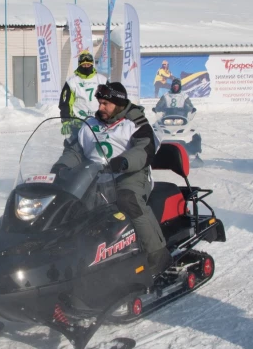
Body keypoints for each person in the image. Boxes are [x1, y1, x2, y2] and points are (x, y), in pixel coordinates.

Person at [52, 82, 172, 275]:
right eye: (99, 103)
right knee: (70, 204)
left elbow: (145, 149)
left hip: (130, 175)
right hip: (94, 176)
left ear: (117, 103)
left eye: (105, 104)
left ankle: (157, 254)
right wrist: (61, 167)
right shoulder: (90, 124)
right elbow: (75, 150)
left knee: (128, 199)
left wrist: (123, 161)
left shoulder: (135, 123)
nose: (100, 108)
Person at [58, 50, 108, 135]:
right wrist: (65, 121)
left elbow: (110, 101)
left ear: (92, 64)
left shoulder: (102, 80)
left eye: (88, 64)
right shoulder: (72, 81)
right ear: (79, 65)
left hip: (98, 122)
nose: (86, 67)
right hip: (78, 123)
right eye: (83, 65)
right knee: (74, 147)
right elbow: (65, 103)